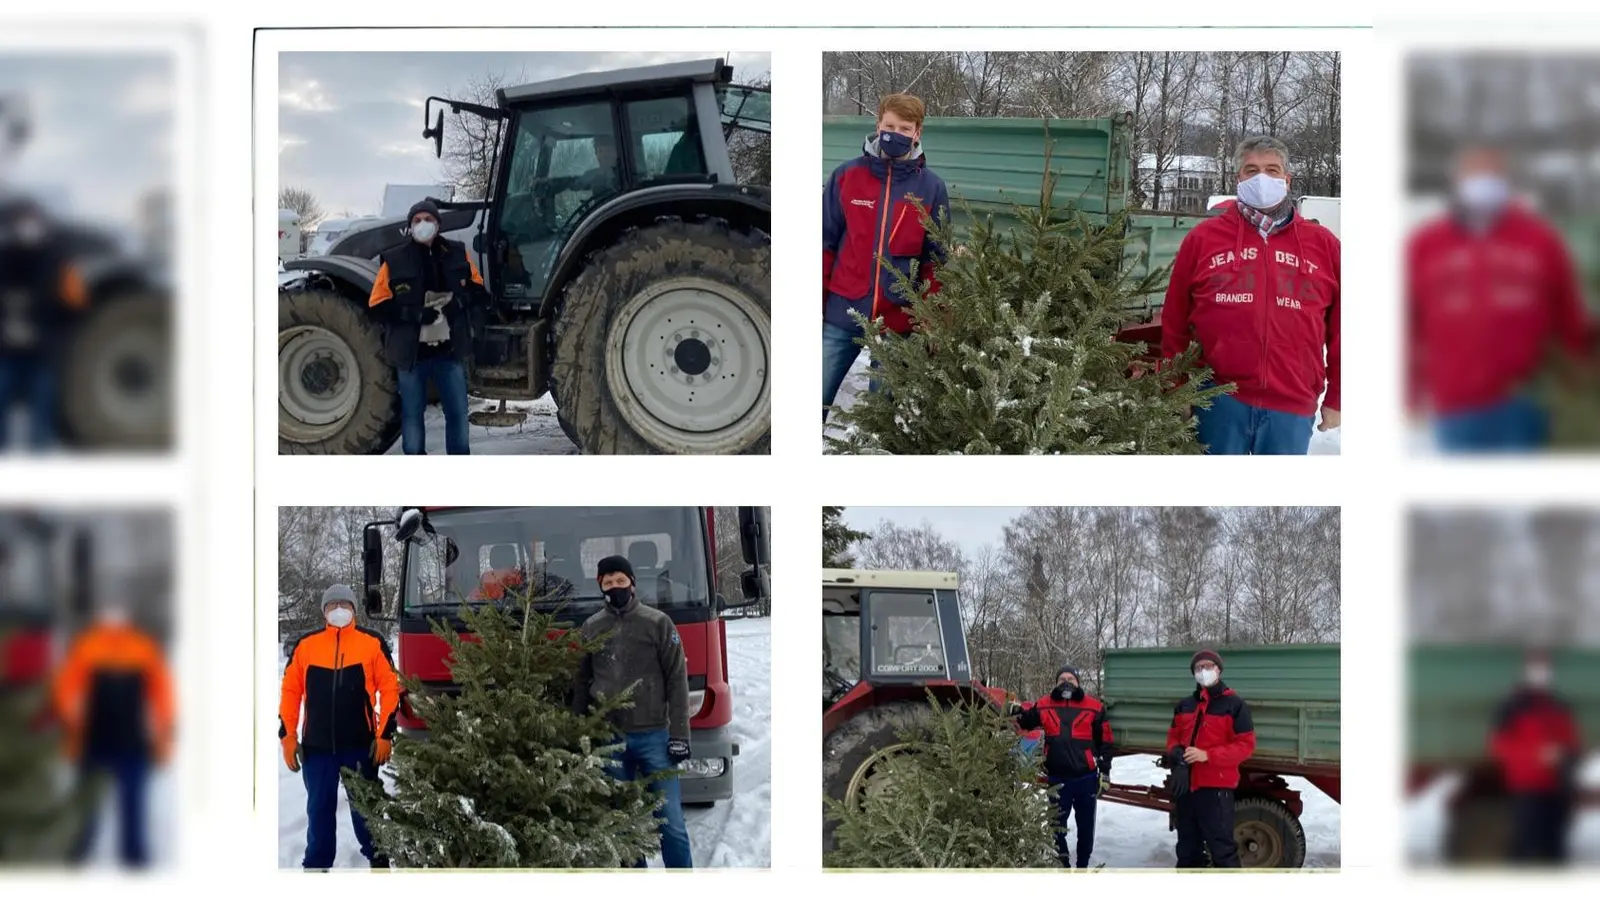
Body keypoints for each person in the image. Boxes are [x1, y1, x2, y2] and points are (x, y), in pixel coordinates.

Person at [1161, 136, 1341, 455]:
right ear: (1238, 179)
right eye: (1252, 170)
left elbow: (1344, 328)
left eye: (1272, 170)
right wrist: (1175, 387)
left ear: (1287, 179)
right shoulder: (1203, 240)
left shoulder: (1324, 245)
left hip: (1292, 403)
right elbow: (1174, 321)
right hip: (1217, 400)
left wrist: (1338, 397)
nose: (1262, 178)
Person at [1407, 146, 1593, 453]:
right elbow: (1409, 321)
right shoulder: (1427, 245)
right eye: (1475, 173)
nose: (1484, 182)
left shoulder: (1539, 239)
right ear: (1457, 180)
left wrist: (1578, 370)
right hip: (1456, 401)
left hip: (1526, 398)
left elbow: (1567, 308)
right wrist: (1410, 390)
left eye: (1492, 174)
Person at [821, 92, 950, 423]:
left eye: (905, 128)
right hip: (842, 309)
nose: (895, 133)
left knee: (880, 417)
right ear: (878, 125)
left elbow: (936, 258)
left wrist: (929, 314)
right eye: (889, 125)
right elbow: (824, 243)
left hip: (898, 319)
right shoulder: (847, 176)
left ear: (917, 132)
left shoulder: (932, 188)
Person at [572, 555, 692, 868]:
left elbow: (677, 680)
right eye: (608, 582)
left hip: (655, 737)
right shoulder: (591, 627)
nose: (615, 587)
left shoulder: (657, 623)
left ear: (632, 583)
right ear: (600, 586)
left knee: (671, 824)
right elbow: (582, 682)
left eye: (620, 581)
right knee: (622, 825)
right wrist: (580, 730)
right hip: (610, 740)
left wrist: (679, 734)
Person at [278, 584, 399, 870]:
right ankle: (316, 866)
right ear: (324, 611)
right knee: (319, 811)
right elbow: (290, 693)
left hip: (360, 746)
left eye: (345, 605)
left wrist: (384, 734)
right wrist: (288, 736)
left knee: (366, 810)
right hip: (317, 749)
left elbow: (390, 688)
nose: (339, 610)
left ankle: (379, 862)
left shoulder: (371, 643)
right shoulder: (306, 646)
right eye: (333, 606)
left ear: (354, 610)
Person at [52, 599, 174, 868]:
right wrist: (70, 713)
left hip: (133, 741)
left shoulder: (143, 648)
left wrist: (164, 728)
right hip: (95, 739)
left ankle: (134, 857)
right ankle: (78, 850)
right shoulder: (87, 646)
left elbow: (163, 692)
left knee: (133, 805)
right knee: (87, 803)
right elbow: (66, 684)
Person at [367, 199, 488, 455]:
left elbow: (479, 291)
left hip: (449, 352)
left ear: (438, 224)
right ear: (410, 227)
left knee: (457, 413)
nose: (423, 224)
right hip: (412, 356)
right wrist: (412, 314)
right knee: (412, 416)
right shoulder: (393, 260)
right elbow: (377, 305)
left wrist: (460, 303)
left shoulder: (458, 252)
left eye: (428, 219)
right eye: (417, 220)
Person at [0, 197, 87, 451]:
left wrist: (58, 328)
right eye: (23, 221)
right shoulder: (5, 258)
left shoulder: (58, 262)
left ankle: (38, 483)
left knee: (41, 426)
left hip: (42, 357)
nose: (28, 227)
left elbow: (76, 306)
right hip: (6, 356)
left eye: (33, 220)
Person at [1014, 665, 1113, 869]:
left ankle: (1083, 864)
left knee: (1086, 827)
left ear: (1078, 682)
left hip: (1085, 777)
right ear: (1056, 683)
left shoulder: (1094, 707)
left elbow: (1105, 740)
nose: (1066, 682)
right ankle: (1063, 862)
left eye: (1071, 678)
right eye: (1062, 679)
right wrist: (1014, 711)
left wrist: (1105, 772)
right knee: (1056, 826)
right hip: (1057, 779)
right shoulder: (1043, 704)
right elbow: (1025, 722)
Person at [1164, 649, 1256, 869]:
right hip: (1186, 788)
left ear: (1218, 670)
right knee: (1187, 850)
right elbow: (1173, 737)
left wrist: (1207, 755)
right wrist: (1177, 755)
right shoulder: (1185, 705)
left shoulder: (1235, 704)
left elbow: (1245, 746)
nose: (1203, 671)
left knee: (1223, 852)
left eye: (1208, 666)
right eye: (1198, 668)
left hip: (1216, 790)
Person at [1489, 649, 1581, 864]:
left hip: (1558, 788)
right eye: (1536, 668)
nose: (1542, 673)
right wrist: (1535, 756)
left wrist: (1565, 755)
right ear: (1525, 671)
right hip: (1527, 788)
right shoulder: (1510, 706)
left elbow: (1574, 742)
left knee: (1556, 851)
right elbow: (1499, 746)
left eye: (1546, 668)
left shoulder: (1560, 705)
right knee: (1525, 850)